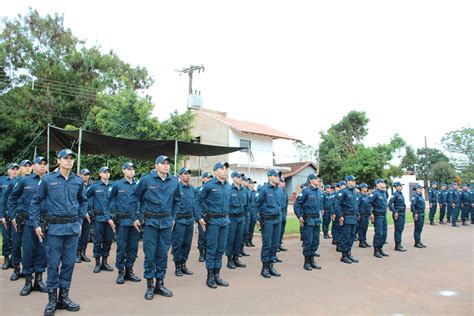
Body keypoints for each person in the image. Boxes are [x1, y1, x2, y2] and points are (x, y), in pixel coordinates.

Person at [30, 149, 88, 315]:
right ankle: (52, 300)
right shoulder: (48, 180)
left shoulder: (77, 181)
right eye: (66, 158)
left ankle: (64, 297)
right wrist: (36, 224)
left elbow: (83, 201)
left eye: (71, 158)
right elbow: (35, 202)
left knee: (69, 263)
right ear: (58, 161)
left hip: (72, 229)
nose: (69, 161)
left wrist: (80, 219)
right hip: (54, 229)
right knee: (53, 264)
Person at [132, 155, 181, 300]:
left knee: (163, 253)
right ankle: (150, 285)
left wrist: (173, 217)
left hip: (166, 222)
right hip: (150, 222)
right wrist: (137, 217)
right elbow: (135, 197)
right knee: (150, 253)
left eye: (168, 164)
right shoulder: (146, 180)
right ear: (156, 165)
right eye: (163, 163)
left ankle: (160, 283)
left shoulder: (174, 182)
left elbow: (177, 200)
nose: (166, 166)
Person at [8, 156, 49, 296]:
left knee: (42, 251)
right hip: (28, 222)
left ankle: (39, 280)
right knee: (28, 251)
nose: (42, 166)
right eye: (39, 163)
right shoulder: (24, 180)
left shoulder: (49, 180)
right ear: (34, 166)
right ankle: (28, 282)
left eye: (45, 164)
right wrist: (13, 216)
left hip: (44, 222)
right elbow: (12, 198)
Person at [195, 162, 231, 289]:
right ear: (216, 172)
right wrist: (199, 217)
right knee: (212, 248)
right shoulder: (208, 186)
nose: (225, 170)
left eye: (226, 169)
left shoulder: (228, 186)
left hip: (225, 222)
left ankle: (217, 275)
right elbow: (197, 201)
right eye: (222, 168)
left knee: (221, 249)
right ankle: (209, 276)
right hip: (213, 222)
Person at [107, 162, 141, 284]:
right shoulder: (117, 185)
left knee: (133, 248)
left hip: (135, 222)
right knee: (121, 247)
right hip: (121, 221)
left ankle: (129, 271)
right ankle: (121, 272)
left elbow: (142, 201)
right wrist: (112, 215)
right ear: (123, 171)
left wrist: (140, 217)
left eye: (133, 169)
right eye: (129, 169)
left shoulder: (138, 185)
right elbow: (109, 200)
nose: (131, 171)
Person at [87, 166, 116, 273]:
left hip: (110, 218)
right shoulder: (94, 186)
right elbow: (85, 197)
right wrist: (88, 210)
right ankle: (98, 263)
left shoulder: (114, 186)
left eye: (108, 172)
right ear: (100, 174)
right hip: (99, 218)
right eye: (104, 172)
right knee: (98, 240)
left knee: (108, 240)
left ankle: (105, 261)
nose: (106, 174)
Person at [8, 159, 33, 281]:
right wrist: (12, 216)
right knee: (16, 244)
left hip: (30, 218)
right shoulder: (14, 183)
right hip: (18, 218)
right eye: (25, 166)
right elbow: (8, 200)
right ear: (21, 168)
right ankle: (16, 268)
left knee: (30, 246)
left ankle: (28, 269)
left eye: (29, 166)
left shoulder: (37, 181)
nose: (27, 168)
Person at [255, 169, 282, 278]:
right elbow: (256, 205)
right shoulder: (264, 190)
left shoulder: (279, 190)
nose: (278, 177)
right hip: (267, 221)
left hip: (277, 220)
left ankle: (271, 266)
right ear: (269, 177)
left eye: (278, 175)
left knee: (275, 244)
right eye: (275, 175)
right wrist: (256, 219)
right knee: (267, 244)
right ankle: (265, 268)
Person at [293, 173, 323, 270]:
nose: (318, 180)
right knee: (308, 241)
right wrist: (299, 216)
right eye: (316, 178)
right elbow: (297, 204)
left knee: (315, 241)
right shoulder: (305, 191)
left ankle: (312, 260)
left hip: (317, 220)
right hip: (308, 219)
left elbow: (320, 203)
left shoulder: (319, 191)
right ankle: (306, 262)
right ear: (310, 180)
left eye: (318, 178)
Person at [171, 167, 196, 277]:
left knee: (187, 244)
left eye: (189, 174)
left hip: (189, 219)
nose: (187, 175)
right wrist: (173, 219)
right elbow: (171, 204)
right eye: (185, 173)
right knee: (178, 243)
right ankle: (177, 267)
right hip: (179, 220)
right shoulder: (175, 188)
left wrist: (195, 219)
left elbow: (194, 205)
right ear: (180, 175)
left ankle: (184, 265)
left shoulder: (192, 189)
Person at [335, 175, 360, 264]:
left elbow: (356, 205)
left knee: (352, 237)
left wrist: (357, 214)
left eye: (354, 181)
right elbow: (337, 204)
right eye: (352, 181)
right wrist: (340, 215)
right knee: (345, 236)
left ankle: (349, 253)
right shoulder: (343, 192)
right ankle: (344, 255)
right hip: (346, 217)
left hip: (354, 217)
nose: (354, 182)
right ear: (347, 181)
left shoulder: (355, 192)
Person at [225, 172, 248, 269]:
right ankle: (229, 260)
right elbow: (226, 205)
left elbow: (246, 205)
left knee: (239, 239)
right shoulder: (229, 190)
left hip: (241, 218)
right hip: (232, 218)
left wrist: (245, 217)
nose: (240, 179)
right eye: (238, 177)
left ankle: (236, 258)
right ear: (233, 178)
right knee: (231, 239)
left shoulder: (243, 190)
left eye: (241, 177)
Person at [0, 163, 19, 270]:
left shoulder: (21, 181)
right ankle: (7, 259)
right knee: (6, 238)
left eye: (17, 169)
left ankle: (14, 260)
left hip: (16, 214)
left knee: (15, 238)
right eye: (13, 169)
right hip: (5, 214)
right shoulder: (2, 181)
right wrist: (1, 214)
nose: (15, 171)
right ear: (8, 171)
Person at [195, 172, 213, 262]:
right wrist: (197, 216)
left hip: (212, 216)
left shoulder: (213, 189)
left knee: (210, 236)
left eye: (210, 178)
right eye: (207, 177)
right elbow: (195, 203)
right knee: (202, 235)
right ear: (203, 179)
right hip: (203, 215)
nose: (209, 179)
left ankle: (207, 253)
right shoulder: (198, 190)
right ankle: (201, 253)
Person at [369, 179, 389, 258]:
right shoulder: (375, 193)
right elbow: (368, 203)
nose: (384, 183)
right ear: (377, 184)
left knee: (384, 233)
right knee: (379, 233)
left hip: (384, 215)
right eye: (382, 182)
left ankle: (381, 248)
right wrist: (371, 213)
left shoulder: (384, 193)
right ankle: (376, 250)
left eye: (384, 182)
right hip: (378, 215)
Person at [76, 168, 92, 263]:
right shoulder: (77, 185)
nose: (86, 176)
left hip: (89, 214)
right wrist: (84, 212)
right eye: (84, 174)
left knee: (85, 235)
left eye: (87, 174)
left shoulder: (91, 186)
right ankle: (77, 254)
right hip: (80, 214)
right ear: (80, 175)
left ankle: (83, 253)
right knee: (78, 234)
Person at [388, 182, 407, 252]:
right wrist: (394, 212)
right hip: (398, 214)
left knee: (401, 229)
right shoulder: (394, 195)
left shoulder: (400, 194)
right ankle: (397, 245)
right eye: (400, 186)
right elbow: (390, 204)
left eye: (401, 186)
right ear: (396, 187)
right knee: (398, 229)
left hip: (402, 213)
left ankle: (399, 243)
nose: (401, 187)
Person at [357, 183, 371, 248]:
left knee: (365, 228)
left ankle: (364, 240)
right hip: (361, 215)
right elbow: (357, 205)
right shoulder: (359, 196)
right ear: (362, 188)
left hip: (366, 214)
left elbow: (369, 205)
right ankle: (361, 242)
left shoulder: (367, 196)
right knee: (361, 228)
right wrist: (358, 214)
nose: (366, 188)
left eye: (367, 187)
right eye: (365, 187)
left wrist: (370, 213)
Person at [278, 177, 289, 251]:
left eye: (284, 181)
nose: (284, 183)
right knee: (277, 231)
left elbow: (286, 203)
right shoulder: (276, 191)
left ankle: (279, 244)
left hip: (283, 213)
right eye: (282, 181)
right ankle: (275, 246)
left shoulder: (285, 192)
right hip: (278, 213)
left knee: (282, 230)